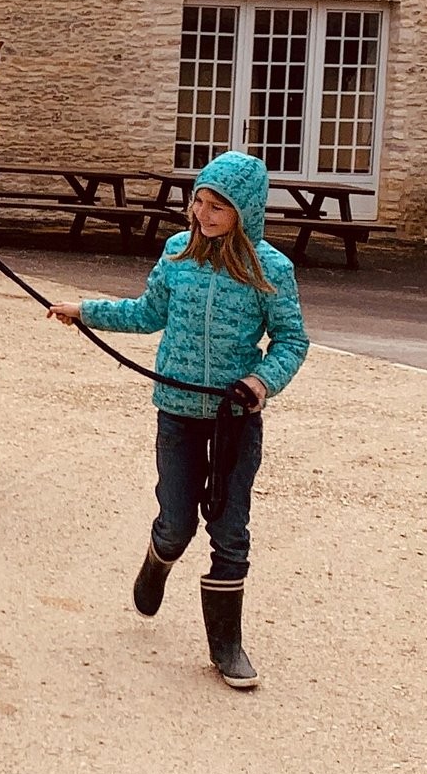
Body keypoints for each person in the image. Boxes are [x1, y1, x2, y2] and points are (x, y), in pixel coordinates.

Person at [46, 150, 309, 690]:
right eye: (199, 202)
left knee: (230, 530)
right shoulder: (176, 253)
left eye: (218, 207)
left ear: (245, 212)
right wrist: (85, 311)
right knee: (177, 522)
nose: (202, 214)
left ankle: (226, 646)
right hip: (178, 414)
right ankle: (158, 557)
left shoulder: (272, 269)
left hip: (235, 418)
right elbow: (147, 313)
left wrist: (261, 382)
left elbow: (291, 340)